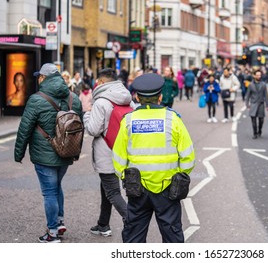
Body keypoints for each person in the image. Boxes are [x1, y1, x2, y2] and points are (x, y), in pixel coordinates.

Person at [112, 73, 195, 243]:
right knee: (172, 237)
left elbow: (118, 158)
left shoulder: (128, 121)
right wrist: (178, 175)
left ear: (136, 97)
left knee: (134, 237)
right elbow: (188, 157)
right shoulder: (173, 119)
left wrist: (126, 177)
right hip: (167, 188)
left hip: (137, 189)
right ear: (160, 96)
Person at [14, 63, 83, 243]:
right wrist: (75, 153)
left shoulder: (36, 99)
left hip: (44, 155)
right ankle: (59, 222)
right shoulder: (73, 98)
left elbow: (25, 129)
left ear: (44, 78)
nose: (38, 78)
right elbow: (79, 129)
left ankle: (52, 233)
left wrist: (18, 153)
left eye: (39, 76)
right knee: (56, 186)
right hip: (66, 153)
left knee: (49, 192)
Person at [83, 68, 132, 238]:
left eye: (98, 81)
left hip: (106, 152)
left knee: (112, 192)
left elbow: (93, 130)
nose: (96, 84)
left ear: (102, 82)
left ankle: (132, 222)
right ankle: (103, 224)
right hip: (123, 151)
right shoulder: (128, 99)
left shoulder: (101, 102)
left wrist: (86, 116)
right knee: (106, 189)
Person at [245, 69, 268, 139]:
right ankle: (254, 133)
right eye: (257, 75)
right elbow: (248, 95)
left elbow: (266, 95)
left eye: (260, 75)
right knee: (253, 120)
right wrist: (247, 104)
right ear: (254, 76)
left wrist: (267, 105)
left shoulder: (263, 84)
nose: (259, 76)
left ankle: (259, 131)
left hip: (261, 104)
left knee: (261, 120)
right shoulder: (250, 85)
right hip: (253, 104)